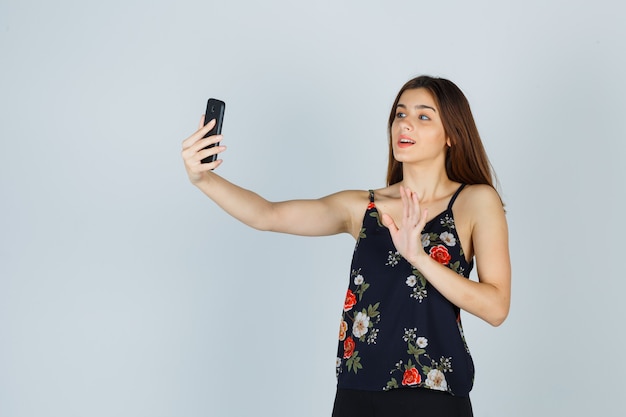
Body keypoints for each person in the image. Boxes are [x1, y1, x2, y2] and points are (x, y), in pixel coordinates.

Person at [181, 75, 511, 417]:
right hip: (358, 393)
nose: (405, 124)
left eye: (423, 116)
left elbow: (496, 306)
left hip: (435, 396)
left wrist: (419, 257)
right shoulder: (363, 207)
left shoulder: (474, 201)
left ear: (452, 135)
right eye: (400, 114)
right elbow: (268, 214)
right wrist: (203, 179)